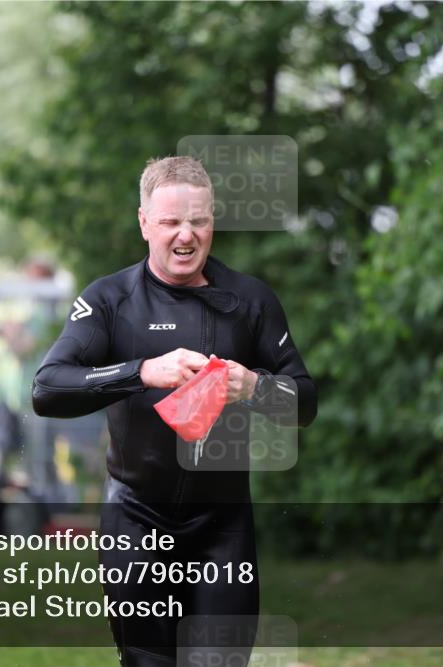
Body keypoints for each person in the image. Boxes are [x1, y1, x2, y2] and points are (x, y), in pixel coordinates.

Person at [32, 156, 317, 665]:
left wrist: (254, 385)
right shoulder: (110, 300)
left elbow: (305, 403)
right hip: (136, 518)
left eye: (199, 221)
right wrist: (139, 372)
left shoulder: (250, 301)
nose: (186, 236)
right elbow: (48, 389)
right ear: (144, 222)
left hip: (221, 524)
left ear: (213, 221)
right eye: (170, 222)